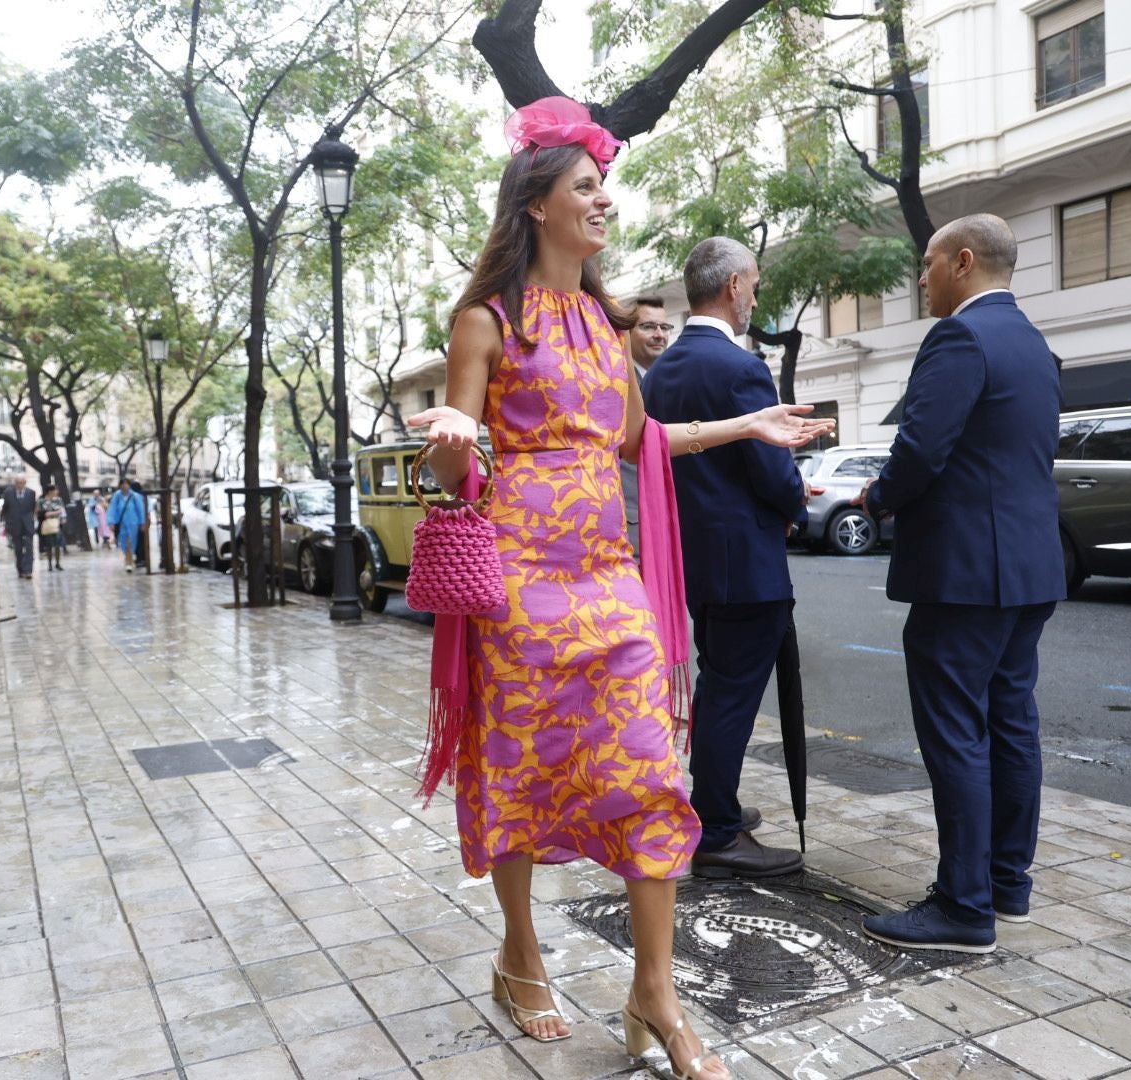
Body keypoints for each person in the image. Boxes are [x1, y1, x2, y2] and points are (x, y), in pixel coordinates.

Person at [404, 97, 832, 1080]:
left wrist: (748, 427)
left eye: (604, 187)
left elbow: (640, 441)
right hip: (517, 597)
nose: (605, 201)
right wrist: (452, 445)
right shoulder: (487, 322)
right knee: (514, 774)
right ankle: (519, 953)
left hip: (611, 590)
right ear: (537, 206)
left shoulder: (604, 328)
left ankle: (656, 992)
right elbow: (455, 471)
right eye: (586, 188)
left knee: (648, 776)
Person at [851, 214, 1064, 954]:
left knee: (957, 733)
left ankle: (964, 906)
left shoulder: (960, 337)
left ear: (963, 262)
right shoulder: (1034, 344)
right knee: (1012, 724)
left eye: (928, 263)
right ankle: (1008, 884)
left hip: (965, 574)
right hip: (1030, 570)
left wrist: (876, 498)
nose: (921, 277)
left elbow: (920, 450)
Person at [641, 238, 809, 882]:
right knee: (733, 695)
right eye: (756, 285)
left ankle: (715, 808)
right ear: (734, 286)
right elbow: (769, 466)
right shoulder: (739, 367)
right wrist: (796, 496)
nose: (757, 298)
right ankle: (715, 828)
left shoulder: (661, 372)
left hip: (695, 557)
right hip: (747, 560)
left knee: (719, 687)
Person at [622, 296, 674, 554]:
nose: (658, 335)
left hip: (666, 522)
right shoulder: (617, 382)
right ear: (627, 333)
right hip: (630, 524)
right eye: (647, 327)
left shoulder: (672, 383)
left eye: (664, 328)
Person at [1, 474, 39, 580]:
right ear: (15, 483)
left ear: (25, 483)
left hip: (28, 525)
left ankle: (28, 571)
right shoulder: (8, 493)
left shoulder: (31, 493)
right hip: (15, 525)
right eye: (18, 483)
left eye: (22, 483)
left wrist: (31, 520)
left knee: (29, 548)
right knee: (18, 549)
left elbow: (32, 508)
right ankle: (20, 570)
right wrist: (6, 523)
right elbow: (5, 509)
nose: (20, 485)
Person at [107, 478, 146, 574]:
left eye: (126, 484)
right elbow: (112, 509)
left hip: (133, 522)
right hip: (121, 523)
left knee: (130, 542)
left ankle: (129, 562)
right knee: (124, 543)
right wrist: (111, 522)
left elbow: (140, 509)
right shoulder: (117, 496)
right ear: (120, 485)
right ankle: (128, 559)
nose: (125, 486)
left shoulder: (135, 496)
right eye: (123, 484)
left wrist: (142, 522)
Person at [38, 485, 66, 572]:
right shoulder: (42, 501)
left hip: (57, 525)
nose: (56, 492)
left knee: (57, 545)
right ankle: (49, 564)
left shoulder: (58, 500)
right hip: (46, 524)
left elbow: (62, 511)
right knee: (48, 545)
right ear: (50, 491)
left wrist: (52, 514)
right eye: (54, 490)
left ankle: (57, 563)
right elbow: (41, 513)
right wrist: (55, 513)